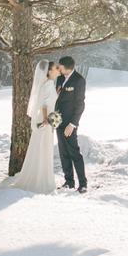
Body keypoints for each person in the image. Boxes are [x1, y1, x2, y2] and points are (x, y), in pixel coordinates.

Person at [13, 59, 59, 194]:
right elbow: (44, 104)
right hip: (45, 120)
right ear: (49, 71)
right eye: (56, 68)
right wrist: (46, 119)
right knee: (43, 148)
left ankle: (36, 176)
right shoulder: (49, 83)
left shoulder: (46, 84)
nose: (58, 70)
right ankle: (41, 180)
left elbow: (47, 100)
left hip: (45, 119)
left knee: (40, 147)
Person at [55, 55, 87, 193]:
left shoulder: (79, 80)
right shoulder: (60, 78)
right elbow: (57, 101)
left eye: (60, 66)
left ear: (67, 67)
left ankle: (83, 183)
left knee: (74, 153)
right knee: (63, 153)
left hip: (70, 124)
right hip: (58, 122)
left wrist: (73, 124)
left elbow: (80, 104)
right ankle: (69, 182)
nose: (59, 68)